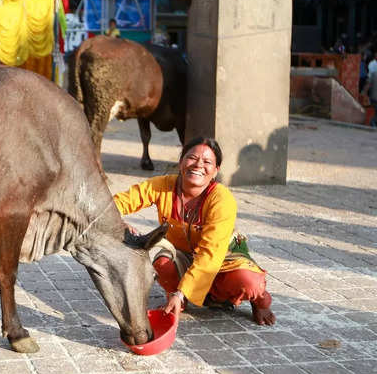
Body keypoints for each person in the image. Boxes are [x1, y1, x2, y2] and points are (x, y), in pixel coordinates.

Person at [113, 136, 276, 325]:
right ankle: (179, 300)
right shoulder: (161, 186)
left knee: (248, 282)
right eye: (191, 158)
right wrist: (119, 224)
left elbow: (210, 253)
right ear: (181, 162)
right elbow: (116, 203)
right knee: (162, 260)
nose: (198, 165)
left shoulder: (222, 199)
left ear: (215, 171)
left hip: (223, 256)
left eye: (207, 162)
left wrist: (183, 293)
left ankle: (260, 301)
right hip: (183, 254)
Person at [364, 51, 377, 127]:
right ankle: (373, 122)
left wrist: (364, 93)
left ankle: (373, 122)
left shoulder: (374, 74)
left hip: (373, 96)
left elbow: (368, 83)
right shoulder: (372, 65)